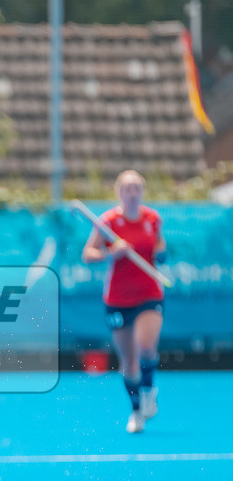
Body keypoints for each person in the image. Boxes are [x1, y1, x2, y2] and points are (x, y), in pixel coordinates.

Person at [81, 169, 166, 434]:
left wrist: (161, 254)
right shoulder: (108, 222)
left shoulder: (152, 219)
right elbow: (88, 254)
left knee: (146, 346)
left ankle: (150, 390)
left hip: (149, 293)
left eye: (136, 189)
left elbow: (160, 247)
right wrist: (111, 252)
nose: (132, 194)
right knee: (128, 361)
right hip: (118, 299)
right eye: (127, 189)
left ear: (141, 192)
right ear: (119, 192)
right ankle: (136, 411)